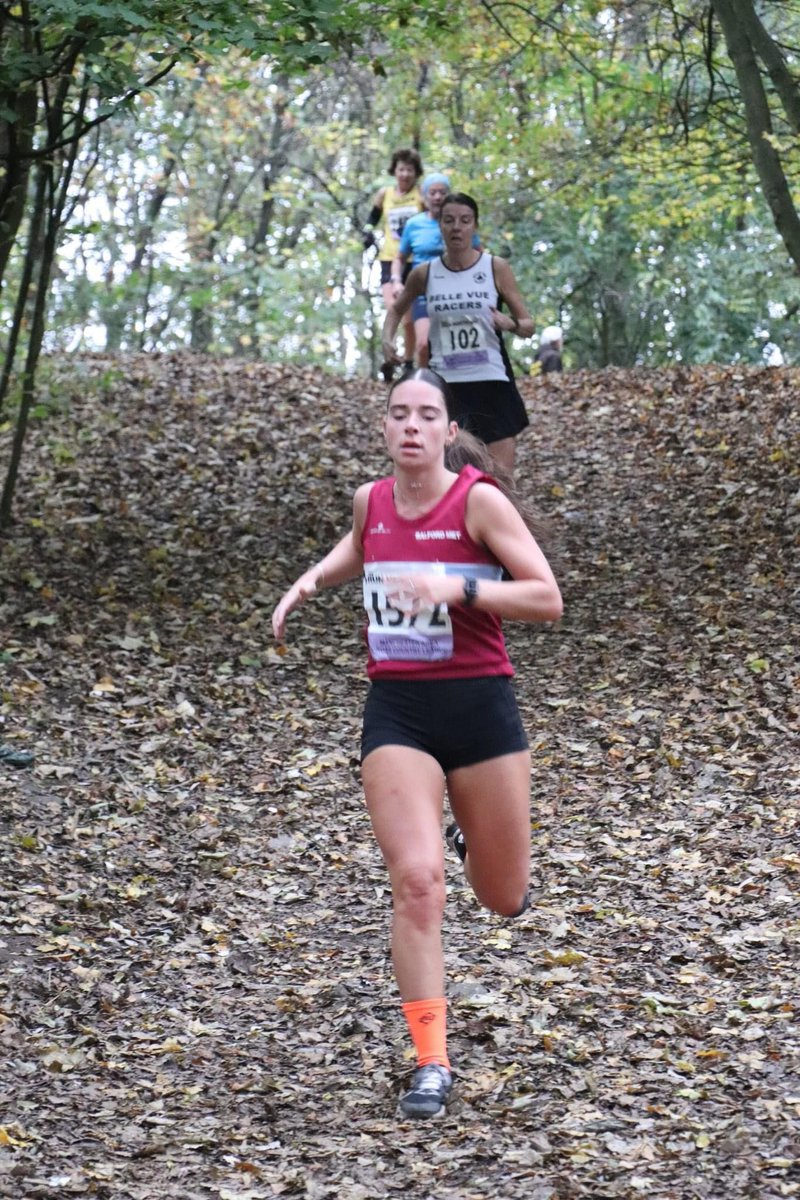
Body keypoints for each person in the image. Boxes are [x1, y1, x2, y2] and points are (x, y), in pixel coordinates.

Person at [272, 368, 562, 1120]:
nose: (409, 426)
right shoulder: (371, 499)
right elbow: (359, 549)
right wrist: (309, 583)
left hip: (480, 708)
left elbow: (545, 598)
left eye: (424, 414)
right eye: (397, 413)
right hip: (397, 711)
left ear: (446, 429)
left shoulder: (479, 502)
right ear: (384, 427)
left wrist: (459, 589)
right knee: (417, 881)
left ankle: (474, 834)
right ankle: (431, 1061)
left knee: (500, 897)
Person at [382, 193, 534, 475]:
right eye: (449, 220)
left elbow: (528, 325)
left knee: (500, 482)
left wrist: (510, 323)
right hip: (447, 387)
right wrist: (387, 339)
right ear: (440, 226)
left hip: (492, 381)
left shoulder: (495, 267)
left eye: (465, 221)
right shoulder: (424, 273)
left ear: (474, 226)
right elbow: (396, 309)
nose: (456, 227)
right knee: (450, 481)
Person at [391, 173, 476, 369]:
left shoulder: (460, 222)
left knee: (453, 348)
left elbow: (478, 252)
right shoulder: (414, 224)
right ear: (424, 196)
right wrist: (396, 280)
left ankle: (451, 390)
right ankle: (425, 389)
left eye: (442, 192)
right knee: (423, 345)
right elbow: (399, 258)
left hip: (456, 291)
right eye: (433, 192)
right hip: (424, 292)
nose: (437, 197)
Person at [362, 148, 424, 374]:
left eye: (409, 170)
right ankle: (391, 353)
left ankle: (407, 362)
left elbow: (433, 219)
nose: (405, 174)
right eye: (401, 169)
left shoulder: (421, 195)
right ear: (394, 171)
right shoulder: (384, 194)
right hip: (389, 258)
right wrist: (367, 233)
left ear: (416, 173)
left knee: (409, 317)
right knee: (393, 308)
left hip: (414, 259)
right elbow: (373, 218)